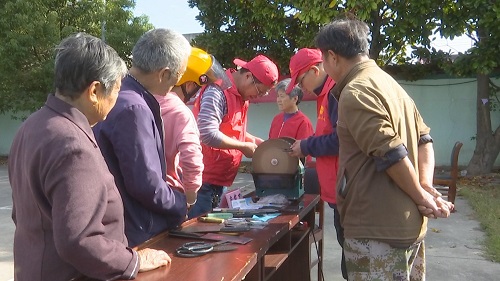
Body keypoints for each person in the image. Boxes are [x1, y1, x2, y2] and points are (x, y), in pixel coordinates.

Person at [8, 33, 171, 281]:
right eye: (116, 90)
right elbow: (79, 240)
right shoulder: (73, 144)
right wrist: (133, 261)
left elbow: (22, 215)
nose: (116, 100)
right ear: (94, 90)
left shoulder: (31, 126)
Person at [315, 18, 454, 280]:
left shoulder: (356, 91)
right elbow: (425, 140)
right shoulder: (389, 83)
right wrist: (424, 185)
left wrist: (423, 196)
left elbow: (391, 154)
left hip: (377, 232)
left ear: (332, 56)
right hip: (405, 226)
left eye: (323, 60)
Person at [93, 28, 190, 247]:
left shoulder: (118, 95)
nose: (176, 83)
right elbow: (146, 184)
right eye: (178, 76)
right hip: (133, 229)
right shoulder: (134, 107)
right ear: (164, 73)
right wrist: (181, 204)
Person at [189, 54, 279, 218]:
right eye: (259, 91)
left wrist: (251, 140)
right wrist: (243, 146)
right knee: (199, 232)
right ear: (248, 76)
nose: (258, 97)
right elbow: (207, 133)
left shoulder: (241, 95)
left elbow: (230, 129)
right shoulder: (217, 92)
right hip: (203, 182)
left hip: (220, 181)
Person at [286, 48, 347, 278]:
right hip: (336, 191)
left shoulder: (335, 92)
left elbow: (342, 140)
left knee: (353, 263)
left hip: (347, 190)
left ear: (315, 69)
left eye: (301, 81)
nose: (301, 88)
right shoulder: (324, 95)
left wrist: (306, 146)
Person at [154, 47, 230, 206]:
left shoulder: (145, 102)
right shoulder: (180, 113)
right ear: (189, 85)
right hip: (168, 195)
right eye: (199, 88)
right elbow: (192, 160)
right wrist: (190, 199)